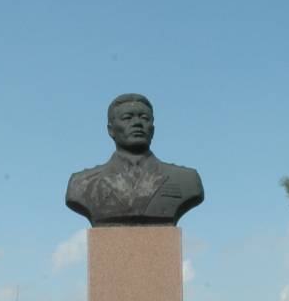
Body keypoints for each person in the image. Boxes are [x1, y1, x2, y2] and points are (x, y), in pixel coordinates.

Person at [65, 94, 204, 226]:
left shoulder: (186, 179)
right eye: (127, 118)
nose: (137, 123)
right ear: (111, 130)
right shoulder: (82, 183)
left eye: (144, 118)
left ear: (152, 130)